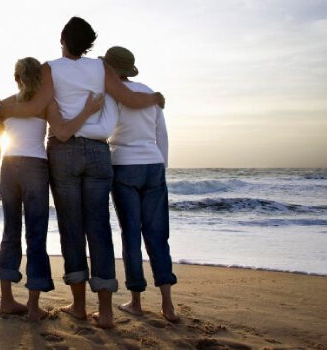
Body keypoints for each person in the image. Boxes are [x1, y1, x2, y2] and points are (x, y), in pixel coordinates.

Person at [0, 17, 165, 329]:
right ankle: (107, 313)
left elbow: (37, 106)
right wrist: (153, 98)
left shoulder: (50, 68)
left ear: (62, 39)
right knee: (99, 227)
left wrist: (3, 110)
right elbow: (128, 98)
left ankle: (79, 306)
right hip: (99, 153)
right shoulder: (101, 68)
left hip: (63, 151)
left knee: (72, 227)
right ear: (89, 44)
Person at [0, 57, 104, 321]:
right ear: (40, 79)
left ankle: (7, 301)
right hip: (35, 168)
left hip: (8, 167)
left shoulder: (3, 106)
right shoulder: (45, 104)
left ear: (16, 78)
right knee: (36, 235)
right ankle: (33, 308)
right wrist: (88, 109)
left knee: (10, 232)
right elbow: (63, 133)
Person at [101, 46, 179, 322]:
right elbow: (162, 133)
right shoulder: (151, 93)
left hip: (124, 164)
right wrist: (161, 165)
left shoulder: (112, 94)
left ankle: (136, 300)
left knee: (131, 234)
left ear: (110, 69)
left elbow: (106, 128)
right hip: (153, 164)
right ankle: (168, 304)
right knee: (158, 235)